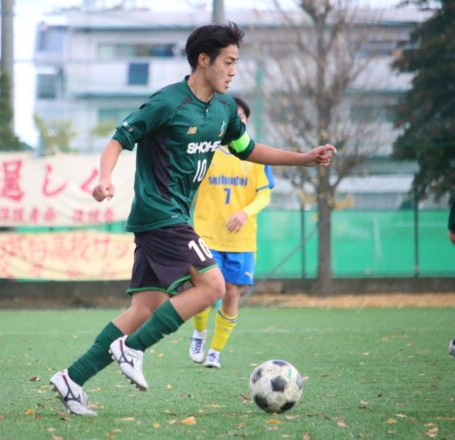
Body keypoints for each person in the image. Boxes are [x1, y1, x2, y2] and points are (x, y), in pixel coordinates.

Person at [49, 22, 336, 416]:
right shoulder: (168, 103)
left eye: (236, 62)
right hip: (160, 214)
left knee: (145, 309)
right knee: (214, 285)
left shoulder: (224, 109)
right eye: (228, 62)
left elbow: (248, 149)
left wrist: (303, 158)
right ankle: (132, 349)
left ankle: (72, 378)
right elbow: (119, 140)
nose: (234, 70)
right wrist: (104, 179)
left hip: (168, 218)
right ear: (204, 60)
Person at [188, 97, 273, 369]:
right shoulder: (206, 152)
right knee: (206, 289)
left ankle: (215, 351)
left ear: (245, 122)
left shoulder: (256, 156)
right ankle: (199, 333)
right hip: (207, 234)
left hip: (241, 240)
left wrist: (245, 213)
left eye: (242, 117)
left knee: (232, 293)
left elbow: (265, 195)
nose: (238, 121)